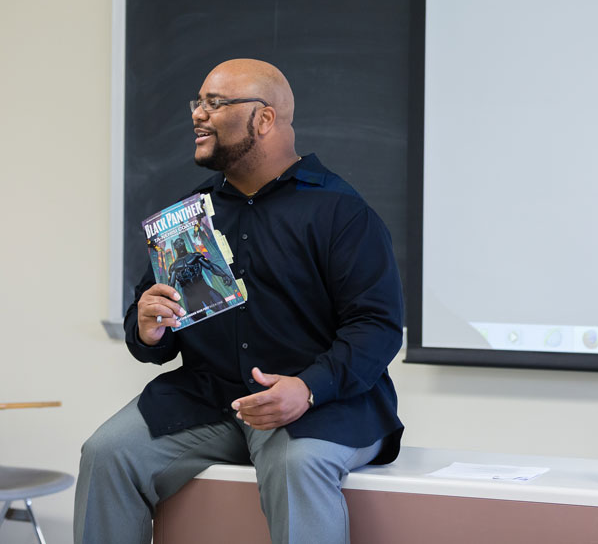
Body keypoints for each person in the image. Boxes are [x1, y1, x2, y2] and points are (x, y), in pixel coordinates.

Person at [74, 59, 404, 544]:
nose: (198, 114)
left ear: (264, 118)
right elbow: (155, 341)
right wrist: (147, 328)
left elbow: (376, 328)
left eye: (216, 103)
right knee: (106, 452)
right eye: (198, 102)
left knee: (298, 464)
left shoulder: (340, 212)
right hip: (210, 400)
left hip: (321, 403)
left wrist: (307, 388)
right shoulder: (190, 217)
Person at [166, 235, 232, 317]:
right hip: (189, 296)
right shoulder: (174, 267)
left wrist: (223, 274)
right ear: (175, 248)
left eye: (181, 243)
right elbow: (171, 284)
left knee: (224, 308)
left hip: (204, 289)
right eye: (177, 244)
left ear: (184, 244)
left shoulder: (195, 256)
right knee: (199, 320)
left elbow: (210, 266)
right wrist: (169, 299)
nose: (180, 245)